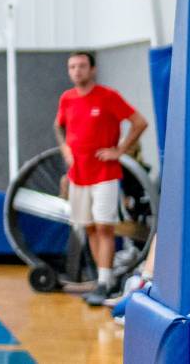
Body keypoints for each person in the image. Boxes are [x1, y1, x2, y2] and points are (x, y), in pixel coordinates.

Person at [51, 51, 148, 304]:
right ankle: (101, 279)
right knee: (89, 227)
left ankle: (105, 282)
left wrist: (120, 150)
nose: (77, 71)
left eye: (82, 66)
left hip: (104, 174)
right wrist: (65, 149)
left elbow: (139, 122)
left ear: (92, 69)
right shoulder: (67, 98)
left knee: (105, 226)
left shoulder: (108, 97)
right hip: (78, 175)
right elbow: (58, 125)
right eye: (72, 66)